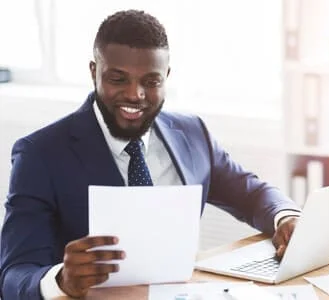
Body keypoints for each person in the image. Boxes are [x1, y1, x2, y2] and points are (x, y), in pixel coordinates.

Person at [0, 9, 301, 299]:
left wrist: (285, 218)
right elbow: (14, 274)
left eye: (150, 81)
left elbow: (252, 194)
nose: (135, 95)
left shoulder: (194, 133)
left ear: (166, 76)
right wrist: (60, 280)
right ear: (94, 72)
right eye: (118, 79)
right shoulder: (40, 154)